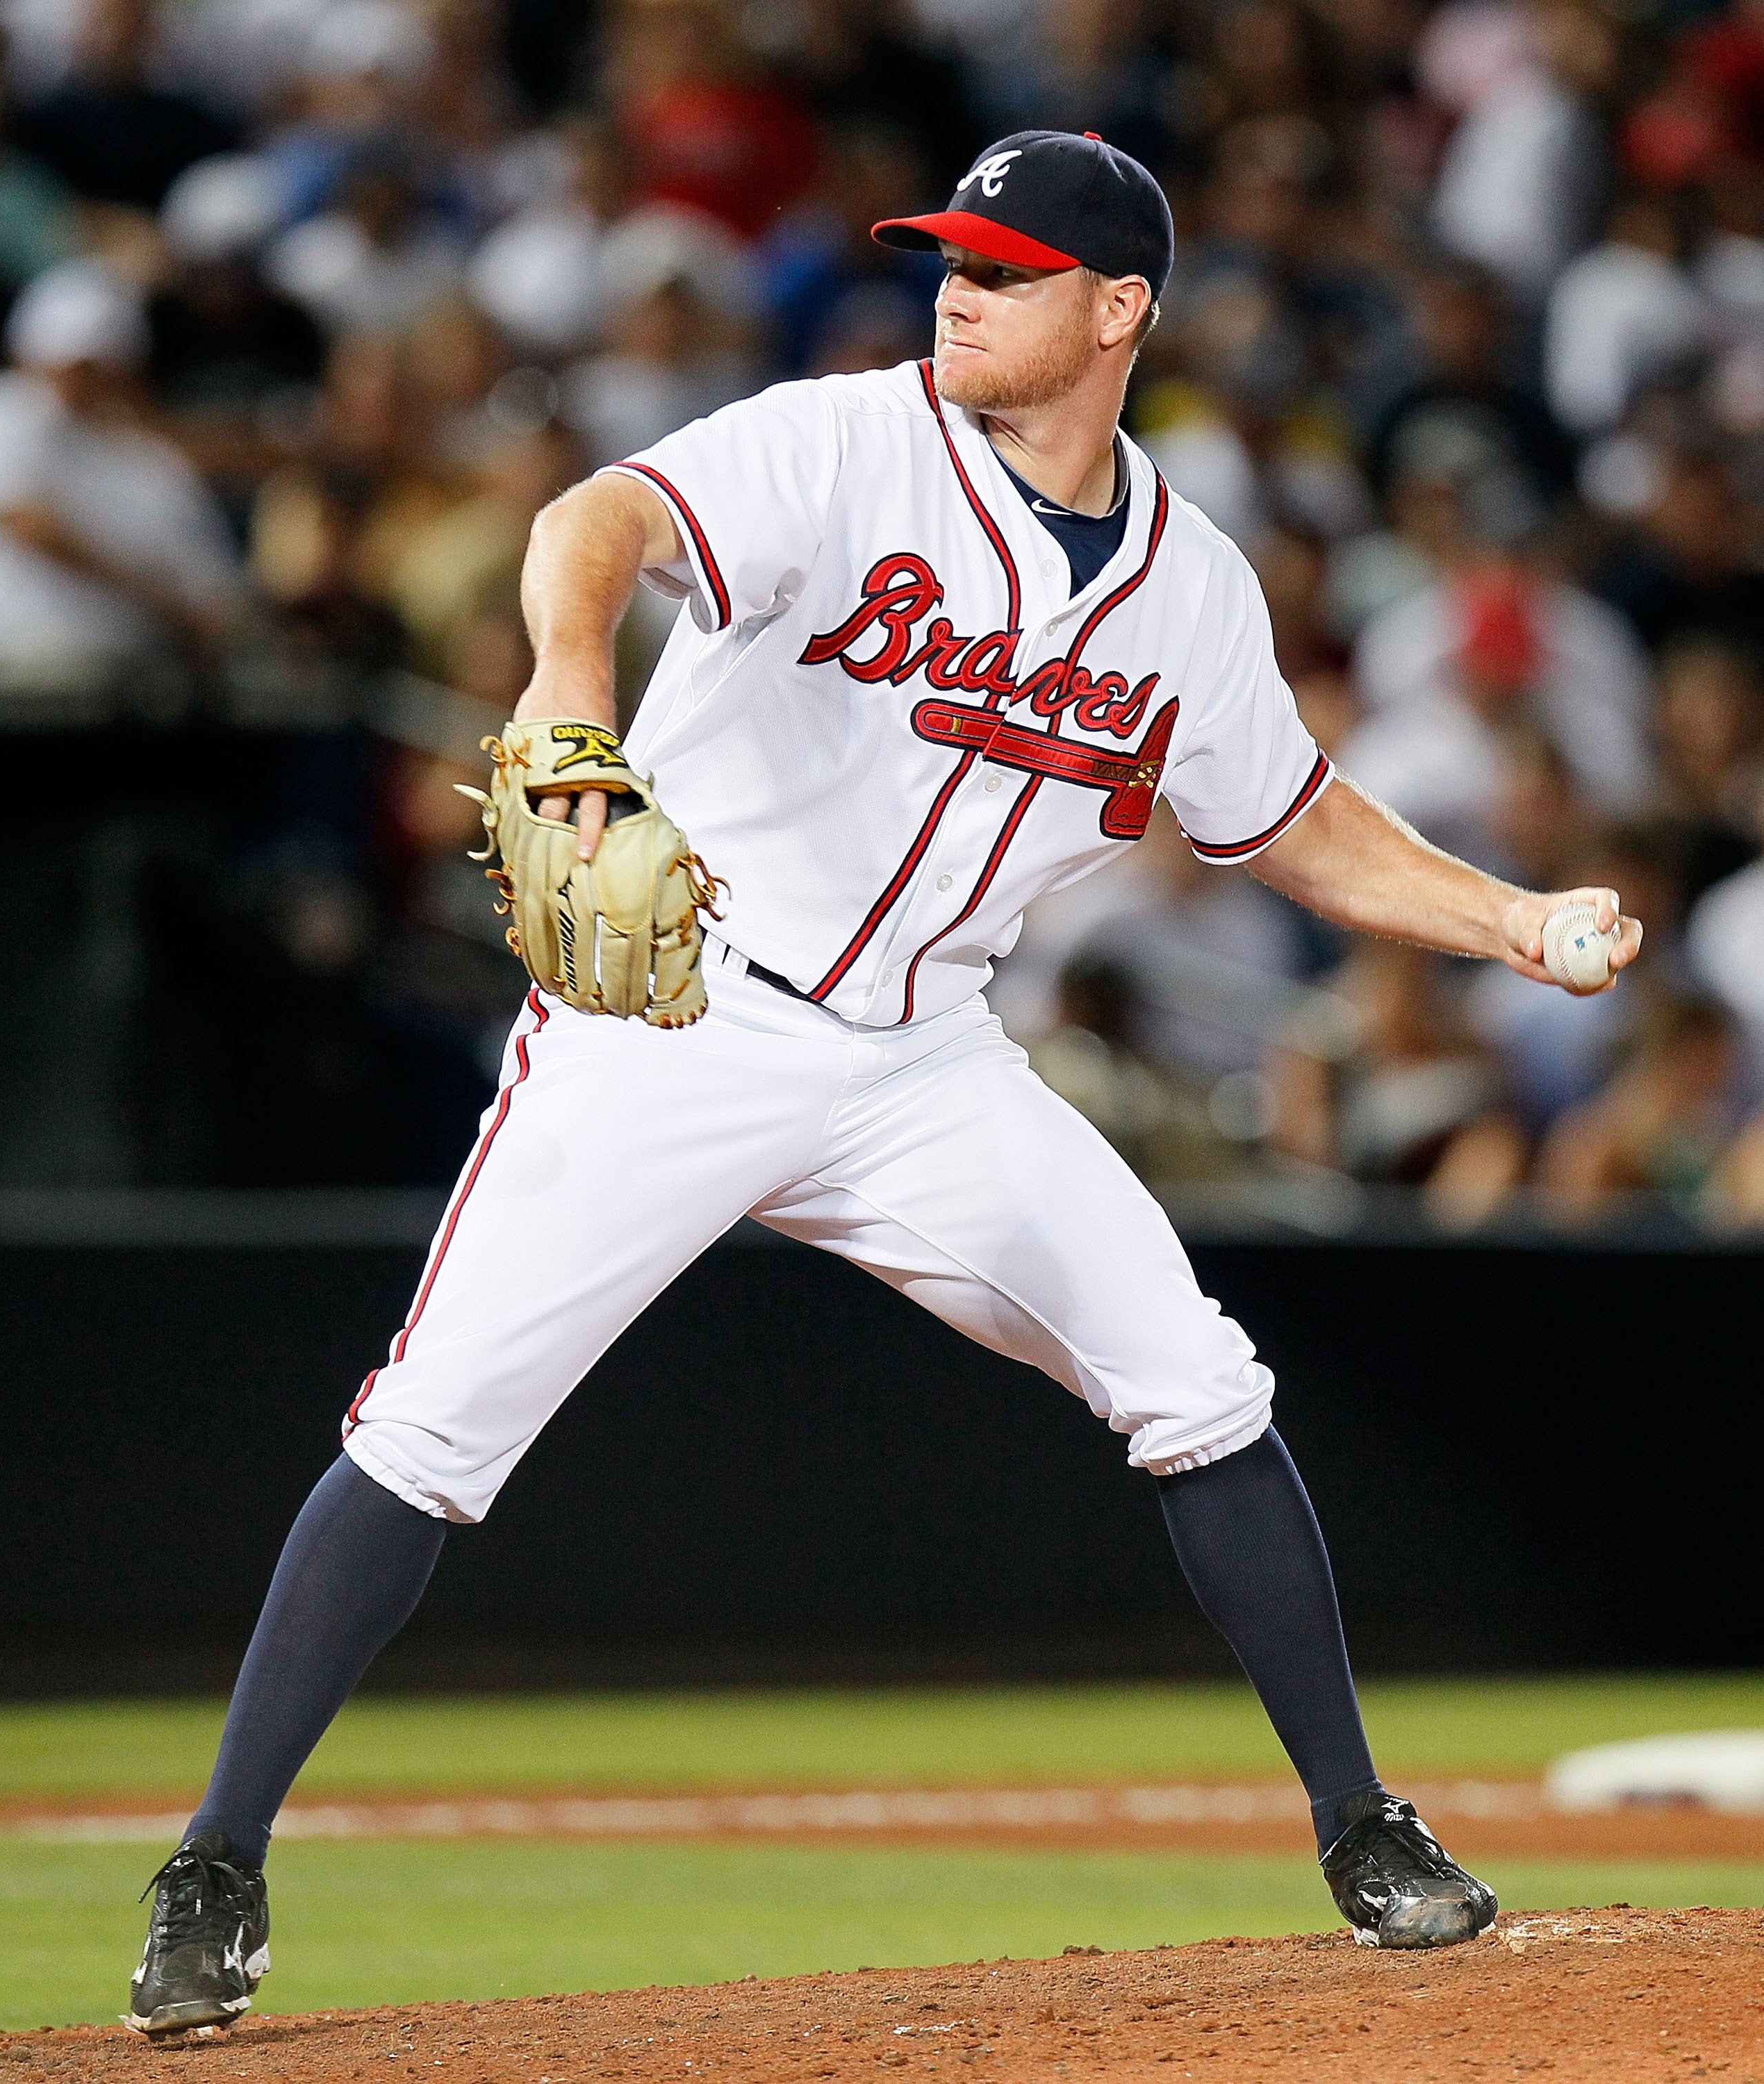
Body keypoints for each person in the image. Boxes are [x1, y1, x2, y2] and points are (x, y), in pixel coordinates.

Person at [126, 131, 1643, 2038]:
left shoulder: (1189, 584)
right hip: (677, 1020)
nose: (960, 288)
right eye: (954, 256)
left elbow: (1293, 817)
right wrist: (564, 686)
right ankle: (218, 1863)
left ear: (1119, 312)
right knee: (434, 1430)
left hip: (927, 1056)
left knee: (1191, 1375)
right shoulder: (842, 445)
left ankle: (1363, 1827)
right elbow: (597, 519)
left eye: (1007, 269)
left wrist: (1508, 921)